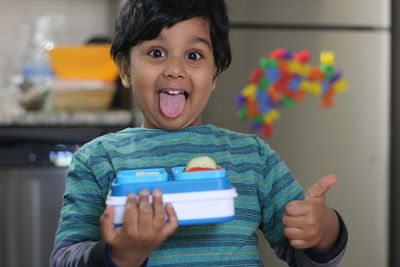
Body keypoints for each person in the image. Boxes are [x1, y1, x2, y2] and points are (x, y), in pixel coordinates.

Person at [50, 0, 348, 266]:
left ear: (215, 72)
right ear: (125, 69)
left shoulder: (252, 157)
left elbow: (304, 254)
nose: (175, 69)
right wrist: (121, 256)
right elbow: (64, 258)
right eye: (157, 52)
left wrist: (324, 229)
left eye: (194, 56)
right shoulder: (97, 159)